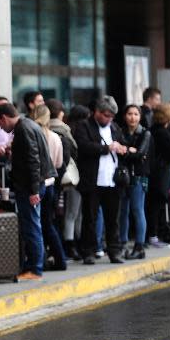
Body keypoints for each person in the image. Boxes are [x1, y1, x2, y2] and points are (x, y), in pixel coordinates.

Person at [0, 103, 56, 280]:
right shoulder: (29, 125)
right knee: (32, 226)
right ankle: (33, 266)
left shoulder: (24, 129)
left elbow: (32, 160)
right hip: (32, 186)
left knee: (32, 227)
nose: (1, 127)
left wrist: (34, 190)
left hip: (30, 187)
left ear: (4, 117)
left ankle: (35, 268)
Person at [74, 96, 128, 265]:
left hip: (112, 180)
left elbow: (123, 143)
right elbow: (83, 146)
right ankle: (88, 252)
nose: (108, 119)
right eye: (105, 115)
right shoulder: (84, 126)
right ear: (96, 112)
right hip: (92, 180)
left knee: (113, 219)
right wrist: (106, 148)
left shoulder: (114, 127)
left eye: (111, 116)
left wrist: (123, 148)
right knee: (90, 218)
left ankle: (114, 251)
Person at [30, 104, 67, 271]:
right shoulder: (54, 137)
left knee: (36, 225)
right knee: (47, 223)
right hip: (50, 184)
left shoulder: (30, 134)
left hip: (35, 184)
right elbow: (59, 163)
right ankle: (60, 258)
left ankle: (41, 261)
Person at [118, 105, 152, 259]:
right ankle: (123, 243)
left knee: (137, 210)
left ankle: (139, 246)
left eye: (136, 114)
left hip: (138, 176)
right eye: (129, 114)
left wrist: (128, 151)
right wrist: (129, 151)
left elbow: (140, 154)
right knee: (122, 211)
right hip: (122, 176)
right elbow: (120, 153)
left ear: (140, 116)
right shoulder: (120, 132)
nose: (132, 117)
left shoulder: (145, 133)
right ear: (125, 116)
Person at [47, 99, 80, 261]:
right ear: (60, 113)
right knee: (66, 213)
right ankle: (64, 249)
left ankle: (56, 250)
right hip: (62, 178)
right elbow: (71, 153)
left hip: (48, 178)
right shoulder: (64, 131)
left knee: (54, 215)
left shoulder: (41, 130)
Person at [146, 104, 170, 247]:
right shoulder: (162, 132)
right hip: (160, 173)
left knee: (154, 204)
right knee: (157, 204)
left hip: (154, 172)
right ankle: (154, 236)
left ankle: (154, 234)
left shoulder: (152, 129)